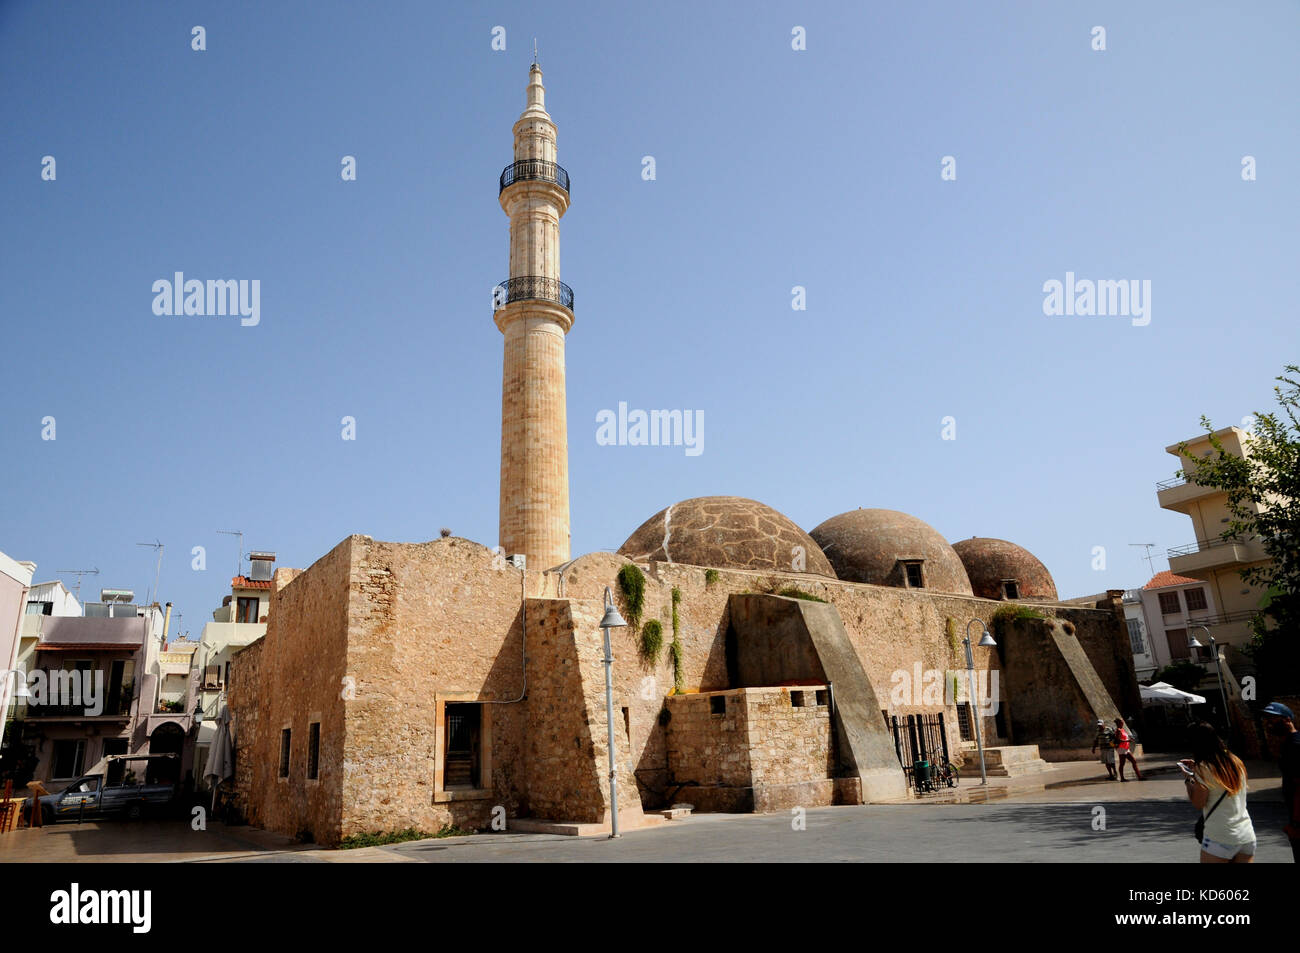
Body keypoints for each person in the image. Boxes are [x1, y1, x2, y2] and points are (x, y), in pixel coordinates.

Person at [1180, 721, 1255, 863]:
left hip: (1220, 836)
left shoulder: (1203, 768)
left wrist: (1189, 779)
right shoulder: (1235, 761)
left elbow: (1198, 803)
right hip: (1246, 834)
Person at [1260, 701, 1299, 863]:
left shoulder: (1295, 746)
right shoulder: (1289, 743)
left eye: (1272, 719)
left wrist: (1296, 824)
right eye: (1267, 719)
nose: (1268, 724)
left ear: (1287, 720)